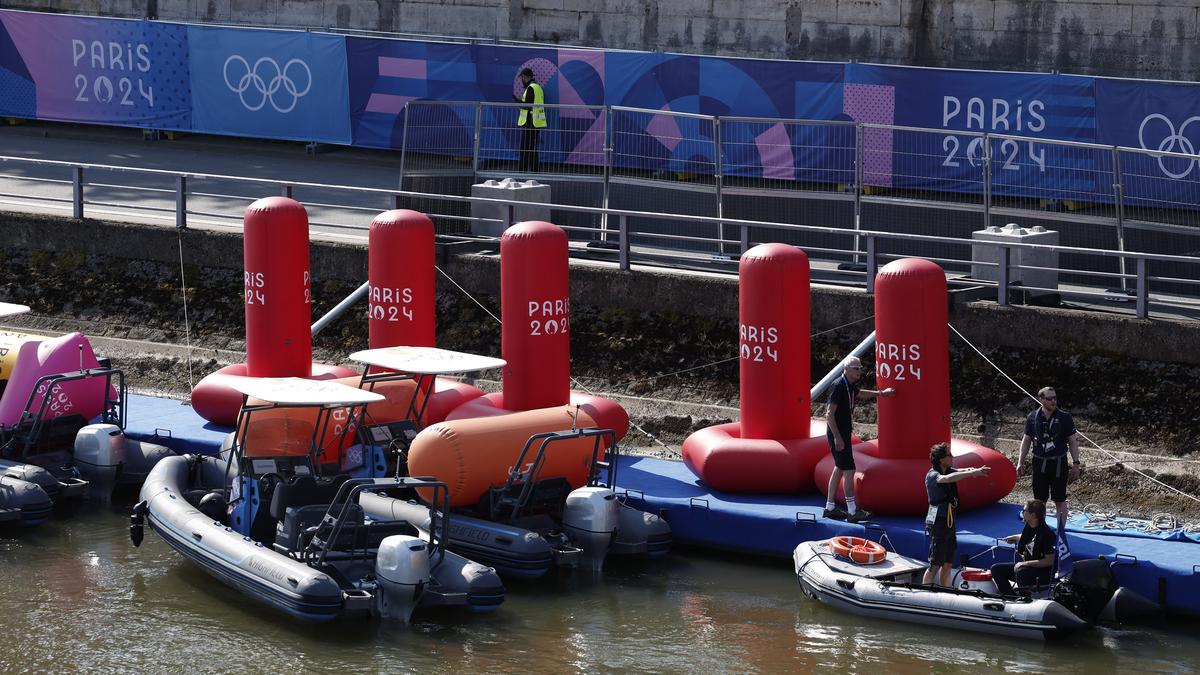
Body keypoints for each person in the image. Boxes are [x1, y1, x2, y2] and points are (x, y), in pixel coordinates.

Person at [822, 356, 895, 523]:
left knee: (839, 468)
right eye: (856, 368)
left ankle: (830, 507)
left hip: (843, 433)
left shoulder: (850, 385)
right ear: (846, 369)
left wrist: (881, 394)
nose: (860, 371)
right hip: (838, 434)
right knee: (849, 470)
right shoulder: (838, 386)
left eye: (860, 368)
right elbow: (829, 414)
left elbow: (859, 394)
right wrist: (838, 438)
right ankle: (852, 511)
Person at [922, 442, 991, 587]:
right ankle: (926, 591)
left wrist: (975, 470)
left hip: (949, 519)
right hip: (938, 521)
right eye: (949, 455)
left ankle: (945, 590)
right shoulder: (933, 475)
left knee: (948, 562)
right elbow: (945, 479)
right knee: (935, 563)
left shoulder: (948, 470)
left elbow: (959, 471)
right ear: (941, 459)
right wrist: (971, 473)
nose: (952, 457)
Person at [1017, 386, 1082, 523]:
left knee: (1060, 499)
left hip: (1058, 463)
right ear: (1041, 399)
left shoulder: (1064, 417)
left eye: (1055, 398)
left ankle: (1061, 532)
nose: (1053, 401)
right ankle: (1039, 529)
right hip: (1039, 462)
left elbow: (1073, 441)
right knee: (1039, 501)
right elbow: (1026, 440)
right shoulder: (1032, 417)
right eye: (1049, 398)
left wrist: (1076, 464)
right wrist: (1020, 462)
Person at [990, 498, 1056, 596]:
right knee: (996, 569)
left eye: (1024, 511)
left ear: (1033, 515)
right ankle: (1010, 597)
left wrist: (1026, 564)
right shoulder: (1030, 526)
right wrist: (1015, 537)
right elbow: (1030, 538)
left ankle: (1025, 599)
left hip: (1042, 573)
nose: (1022, 512)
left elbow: (1049, 561)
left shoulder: (1047, 534)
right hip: (1028, 567)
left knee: (1021, 571)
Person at [513, 67, 546, 172]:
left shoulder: (531, 88)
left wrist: (517, 102)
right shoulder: (538, 87)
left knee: (525, 148)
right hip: (536, 122)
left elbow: (528, 106)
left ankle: (522, 171)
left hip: (530, 123)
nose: (522, 80)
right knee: (532, 148)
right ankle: (535, 171)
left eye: (522, 77)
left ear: (524, 77)